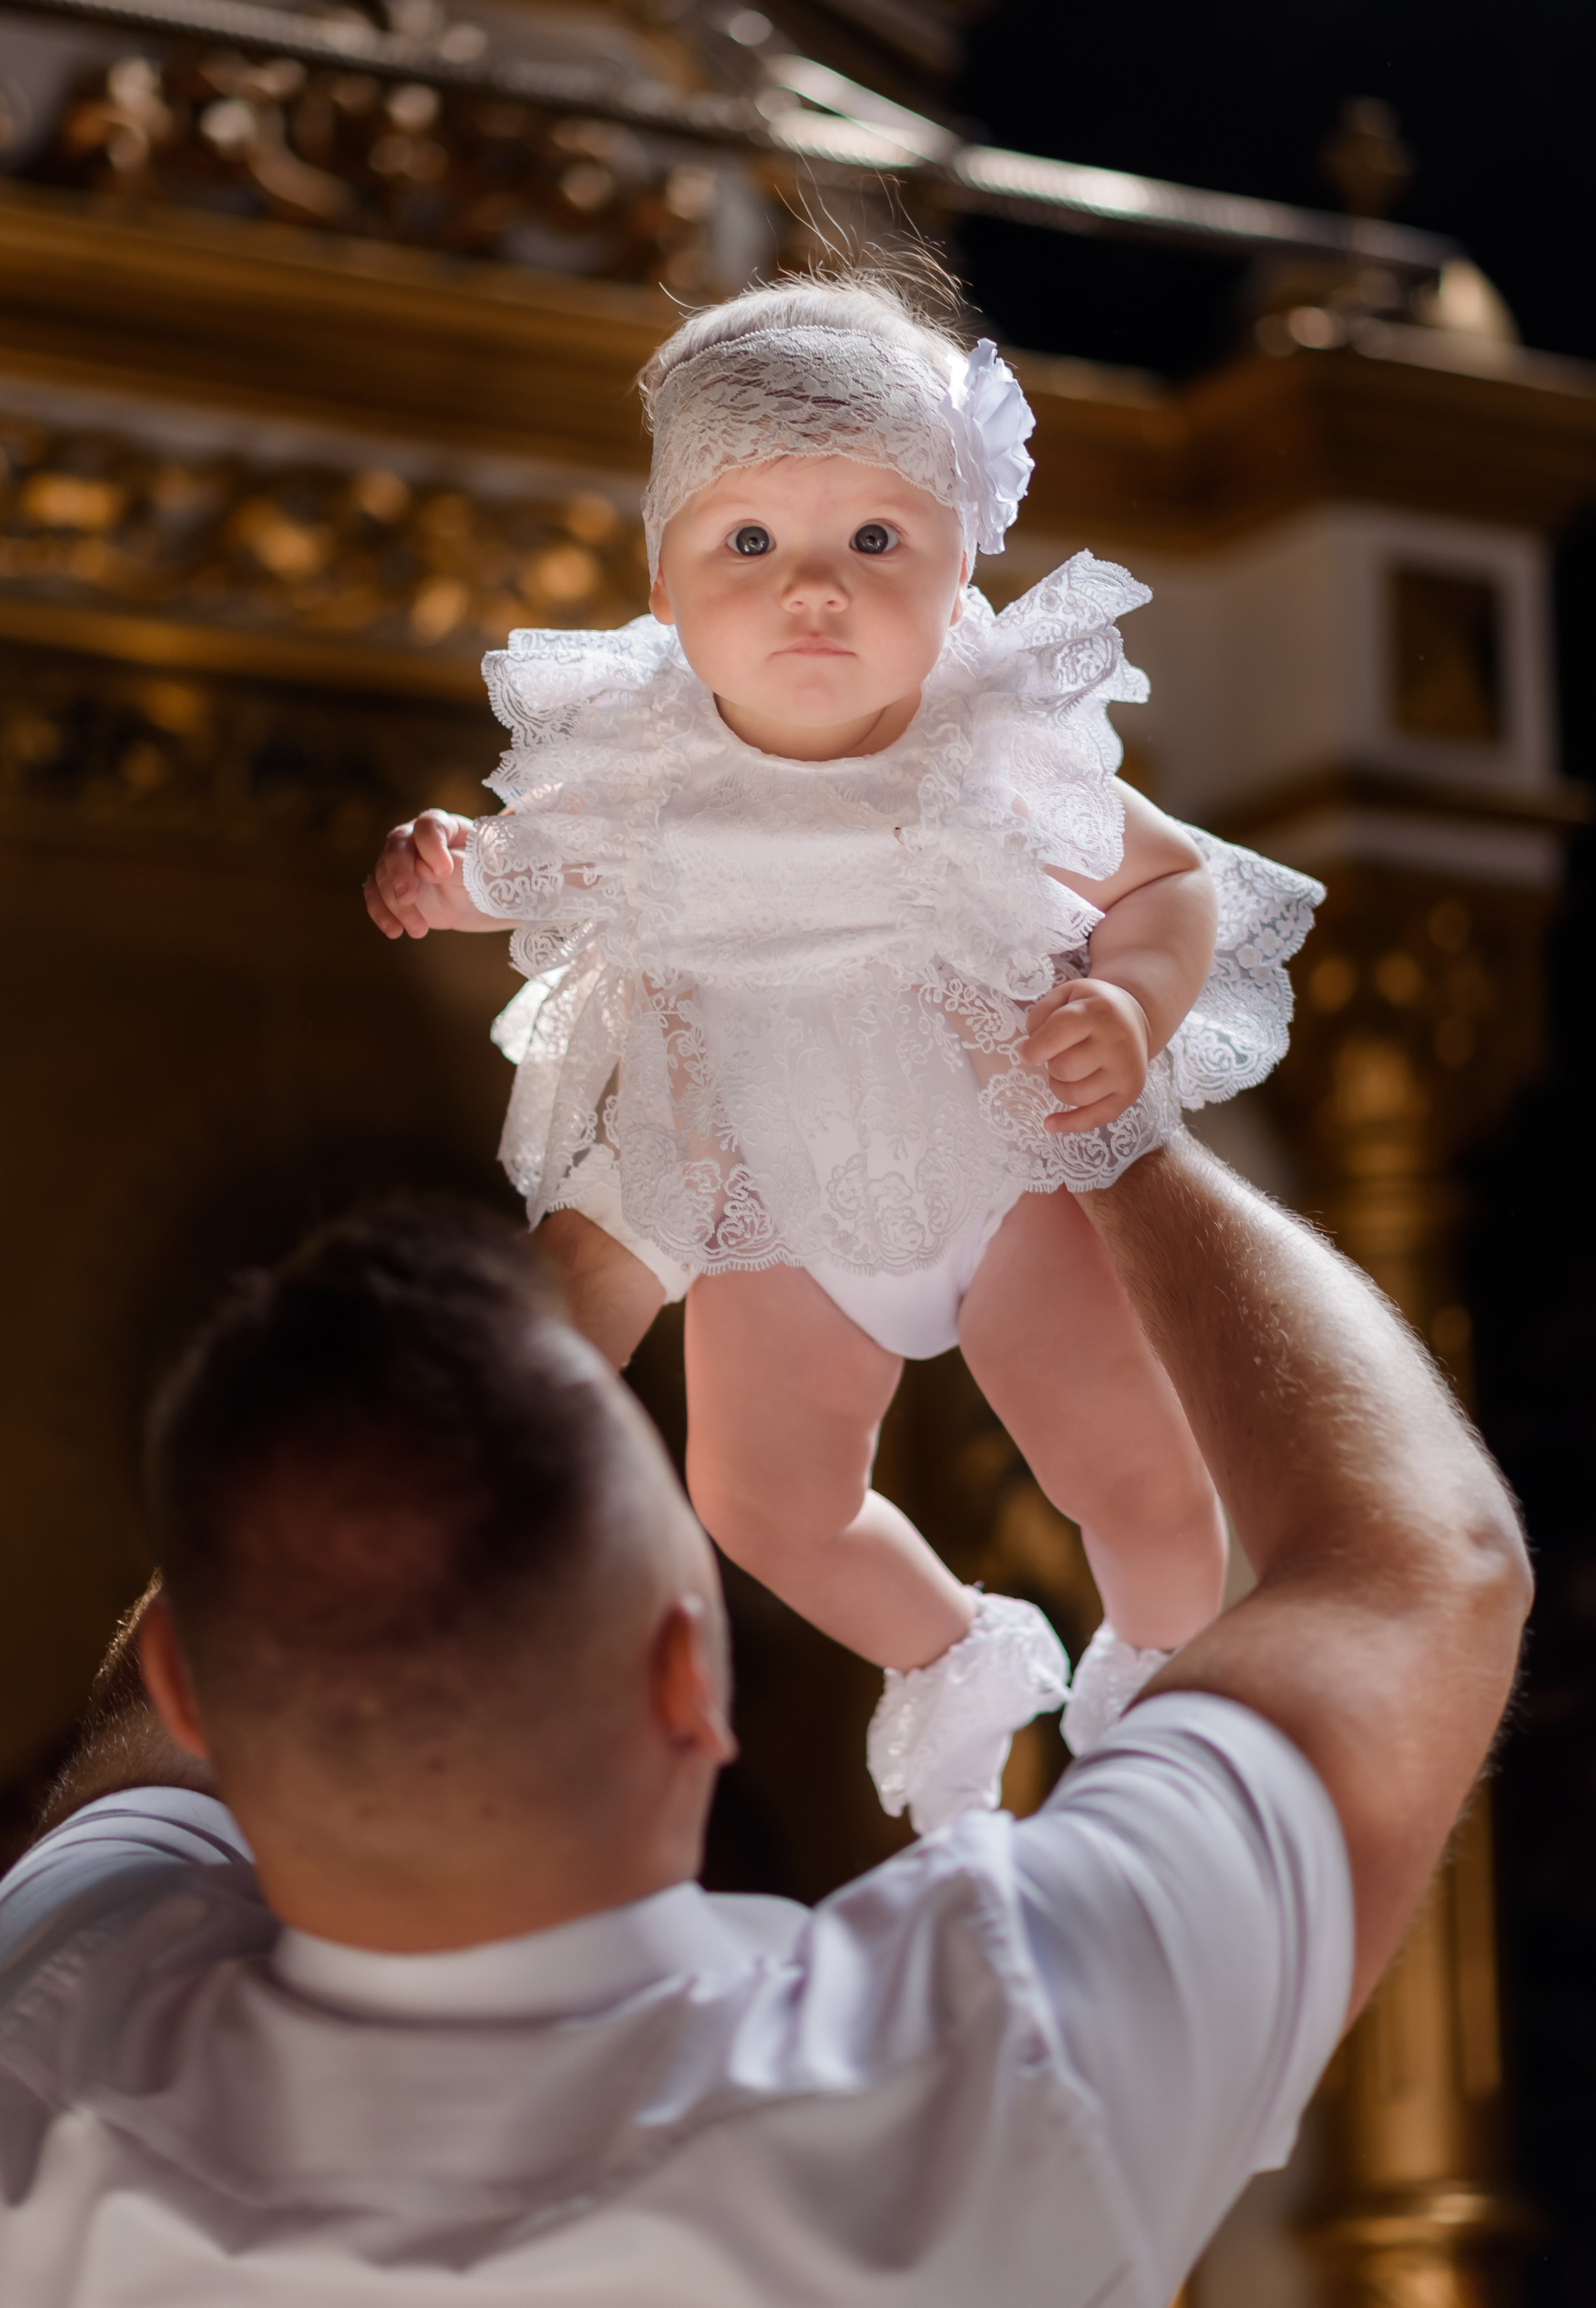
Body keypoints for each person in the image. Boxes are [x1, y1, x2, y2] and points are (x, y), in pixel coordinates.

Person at [0, 1149, 1531, 2307]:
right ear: (693, 1683)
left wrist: (591, 1243)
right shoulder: (990, 2059)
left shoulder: (42, 2078)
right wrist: (1105, 1128)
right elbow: (1421, 1565)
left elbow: (165, 1680)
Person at [363, 273, 1324, 1828]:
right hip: (771, 1205)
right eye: (748, 543)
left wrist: (1131, 1006)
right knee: (757, 1500)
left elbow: (1165, 882)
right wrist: (438, 876)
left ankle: (1160, 1675)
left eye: (872, 541)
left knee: (1135, 1481)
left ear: (955, 578)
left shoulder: (989, 746)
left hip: (1001, 1165)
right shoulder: (642, 767)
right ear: (663, 592)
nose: (811, 588)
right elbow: (512, 871)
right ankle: (951, 1650)